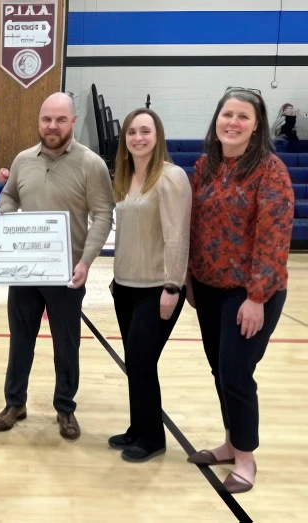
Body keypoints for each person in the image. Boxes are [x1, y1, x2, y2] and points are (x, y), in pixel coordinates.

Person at [186, 87, 293, 494]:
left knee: (236, 373)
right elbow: (194, 227)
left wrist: (256, 297)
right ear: (216, 121)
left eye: (242, 116)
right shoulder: (204, 166)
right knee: (219, 370)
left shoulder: (270, 170)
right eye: (226, 114)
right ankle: (230, 442)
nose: (232, 122)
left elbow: (274, 236)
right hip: (209, 289)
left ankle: (246, 458)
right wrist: (191, 278)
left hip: (250, 292)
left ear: (257, 125)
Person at [0, 92, 114, 440]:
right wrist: (7, 217)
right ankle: (15, 403)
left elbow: (103, 214)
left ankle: (65, 408)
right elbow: (8, 196)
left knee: (66, 343)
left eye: (61, 119)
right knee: (21, 340)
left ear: (73, 121)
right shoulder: (23, 160)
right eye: (47, 119)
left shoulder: (91, 164)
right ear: (39, 121)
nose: (53, 126)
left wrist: (86, 262)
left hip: (67, 273)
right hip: (25, 269)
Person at [108, 108, 191, 462]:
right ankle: (138, 427)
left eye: (145, 131)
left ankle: (153, 437)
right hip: (125, 285)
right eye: (131, 132)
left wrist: (173, 286)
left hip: (158, 287)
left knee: (142, 359)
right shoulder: (124, 178)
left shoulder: (170, 177)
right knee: (135, 361)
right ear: (124, 140)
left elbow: (177, 235)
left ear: (157, 137)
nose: (138, 137)